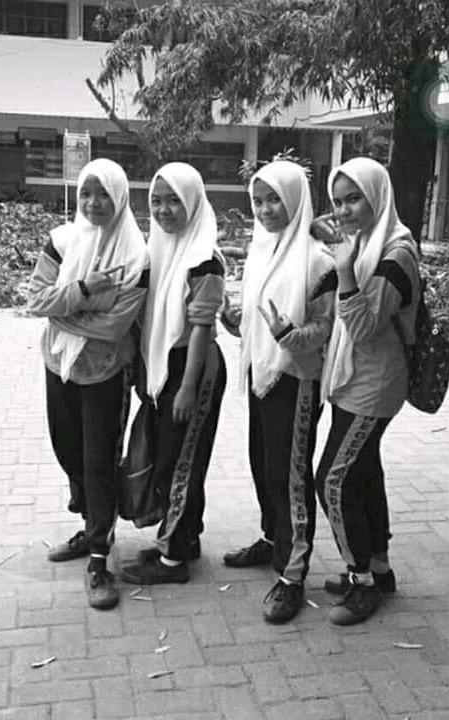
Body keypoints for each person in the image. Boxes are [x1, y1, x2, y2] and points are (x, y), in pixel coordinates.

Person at [27, 158, 149, 610]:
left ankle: (99, 555)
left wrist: (62, 313)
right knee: (68, 449)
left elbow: (115, 328)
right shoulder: (61, 240)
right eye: (86, 193)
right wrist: (82, 290)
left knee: (99, 461)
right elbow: (35, 298)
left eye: (103, 194)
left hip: (105, 373)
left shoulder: (136, 256)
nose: (94, 203)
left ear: (120, 197)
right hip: (60, 364)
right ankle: (91, 526)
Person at [222, 160, 336, 624]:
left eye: (275, 200)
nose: (266, 209)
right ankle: (273, 539)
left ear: (295, 200)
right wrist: (235, 322)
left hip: (296, 381)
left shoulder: (319, 262)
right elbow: (259, 319)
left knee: (290, 477)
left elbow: (325, 328)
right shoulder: (262, 249)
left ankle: (292, 574)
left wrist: (289, 335)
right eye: (258, 201)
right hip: (261, 375)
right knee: (262, 464)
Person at [315, 156, 420, 625]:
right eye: (337, 202)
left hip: (374, 386)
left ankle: (361, 583)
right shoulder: (364, 242)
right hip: (354, 379)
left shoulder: (395, 257)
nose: (343, 211)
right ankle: (379, 568)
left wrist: (344, 269)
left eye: (354, 199)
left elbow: (359, 326)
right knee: (363, 474)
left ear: (377, 196)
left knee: (332, 480)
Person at [121, 162, 227, 586]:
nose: (164, 210)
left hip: (193, 370)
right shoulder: (159, 248)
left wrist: (187, 388)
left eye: (174, 201)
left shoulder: (204, 260)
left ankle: (172, 560)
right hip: (166, 365)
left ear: (193, 203)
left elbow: (201, 327)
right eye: (156, 201)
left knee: (181, 463)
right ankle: (184, 537)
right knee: (172, 456)